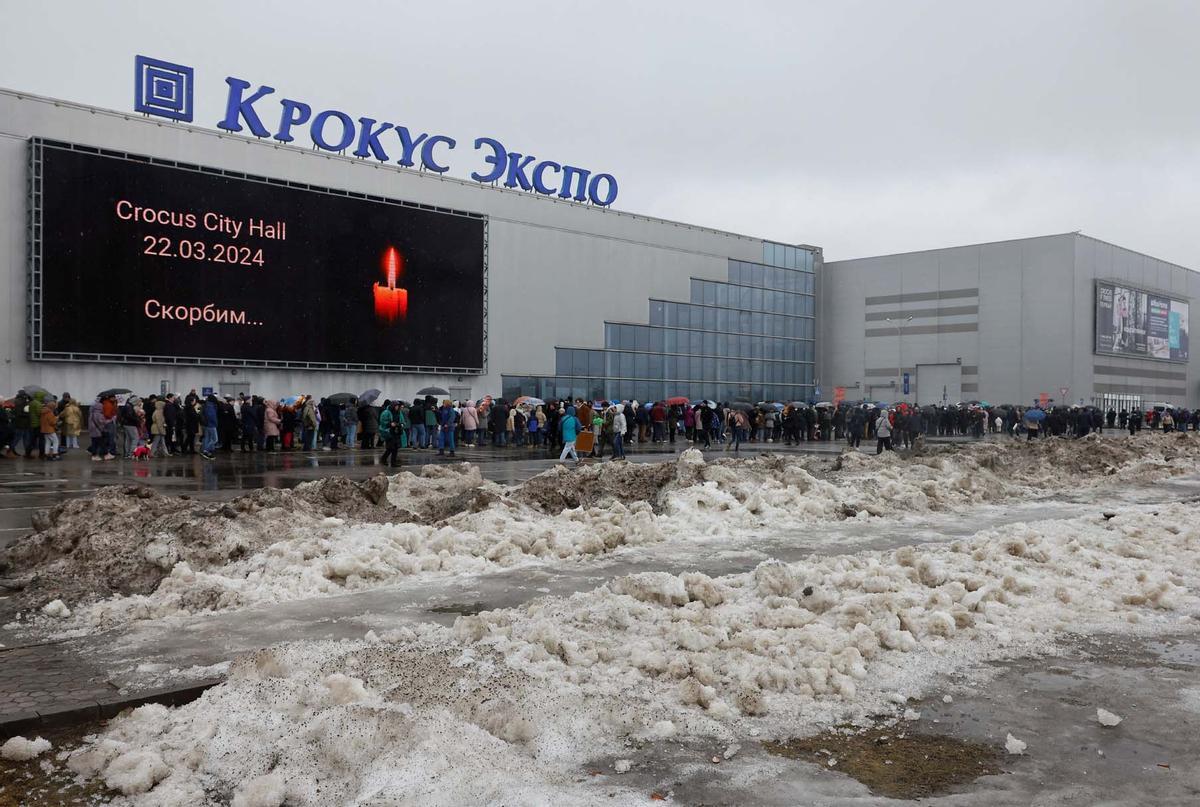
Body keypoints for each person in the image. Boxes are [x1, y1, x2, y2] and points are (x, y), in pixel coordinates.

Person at [379, 401, 402, 467]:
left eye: (398, 406)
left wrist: (401, 424)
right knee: (390, 448)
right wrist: (390, 424)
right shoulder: (386, 412)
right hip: (389, 431)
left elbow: (400, 420)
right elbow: (382, 421)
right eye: (396, 406)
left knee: (396, 447)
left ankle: (393, 462)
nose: (398, 407)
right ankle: (384, 458)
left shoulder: (398, 412)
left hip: (396, 431)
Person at [201, 394, 220, 459]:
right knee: (215, 439)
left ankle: (205, 450)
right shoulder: (211, 406)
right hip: (211, 425)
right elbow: (212, 416)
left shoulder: (206, 405)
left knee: (207, 438)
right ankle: (206, 450)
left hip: (206, 424)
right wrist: (215, 423)